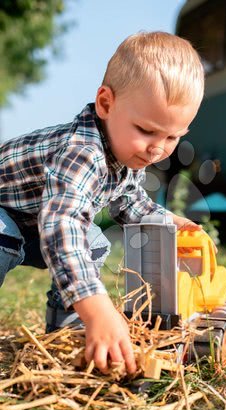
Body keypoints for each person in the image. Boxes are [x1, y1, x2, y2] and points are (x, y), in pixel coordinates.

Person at [0, 31, 205, 375]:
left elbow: (130, 204)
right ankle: (89, 314)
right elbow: (62, 223)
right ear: (106, 104)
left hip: (32, 226)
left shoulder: (125, 155)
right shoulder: (82, 153)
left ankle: (68, 328)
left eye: (172, 137)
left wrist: (171, 221)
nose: (158, 148)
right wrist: (99, 307)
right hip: (9, 219)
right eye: (146, 129)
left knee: (93, 242)